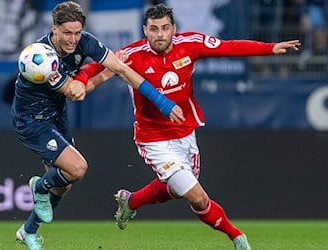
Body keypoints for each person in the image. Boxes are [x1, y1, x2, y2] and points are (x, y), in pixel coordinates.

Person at [76, 3, 300, 250]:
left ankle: (131, 201)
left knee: (176, 189)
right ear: (145, 30)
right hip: (153, 139)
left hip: (185, 133)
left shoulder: (190, 44)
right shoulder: (131, 54)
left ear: (174, 28)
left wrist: (270, 48)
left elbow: (229, 47)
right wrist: (79, 82)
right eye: (153, 29)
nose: (159, 34)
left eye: (164, 28)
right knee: (197, 197)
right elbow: (95, 66)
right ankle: (238, 238)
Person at [11, 2, 185, 250]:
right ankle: (39, 186)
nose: (73, 40)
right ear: (54, 29)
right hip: (31, 121)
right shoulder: (41, 59)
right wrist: (106, 72)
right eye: (67, 33)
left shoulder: (86, 42)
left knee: (65, 183)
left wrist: (162, 102)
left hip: (56, 116)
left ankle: (28, 231)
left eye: (77, 33)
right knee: (78, 168)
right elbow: (77, 92)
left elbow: (122, 67)